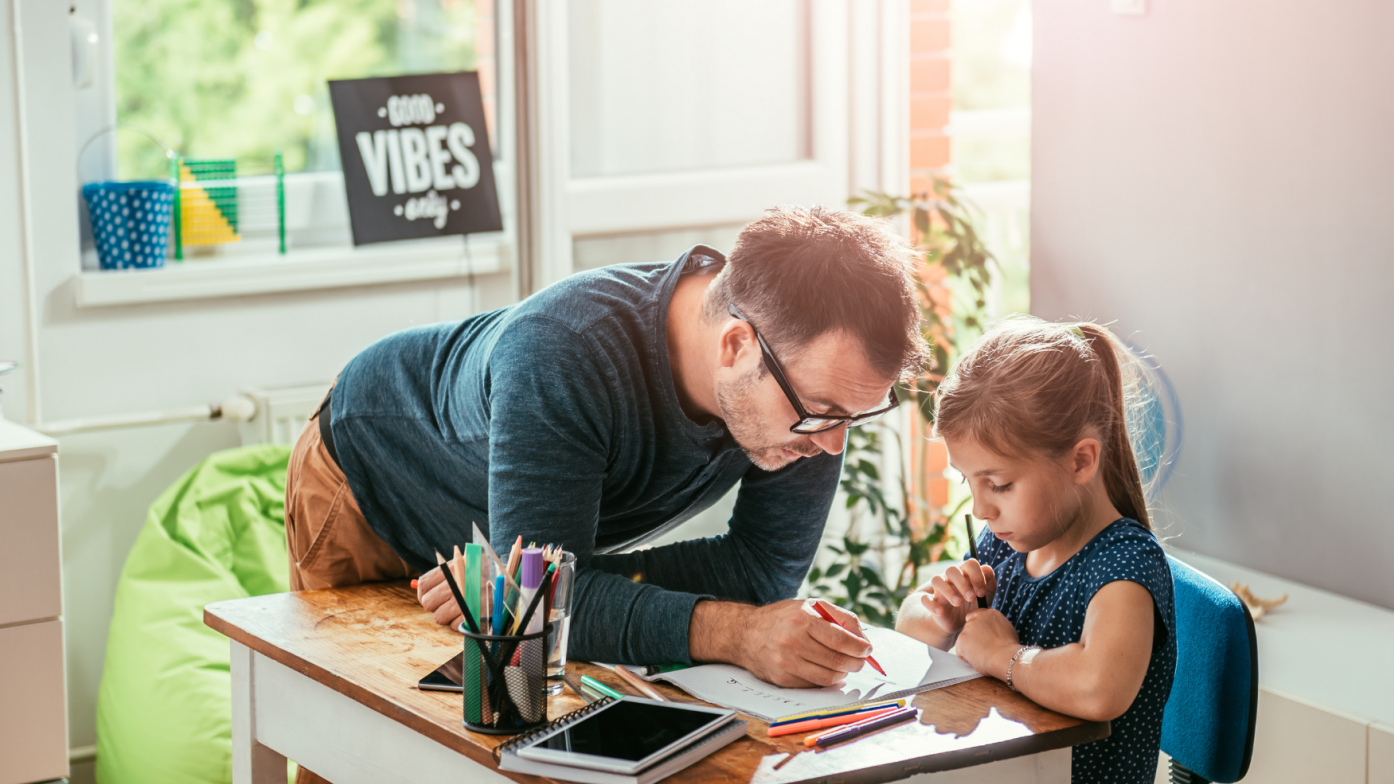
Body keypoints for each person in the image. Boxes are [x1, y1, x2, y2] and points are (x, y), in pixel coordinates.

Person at [285, 205, 927, 689]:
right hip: (373, 481)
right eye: (821, 414)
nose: (834, 442)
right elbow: (537, 606)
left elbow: (761, 571)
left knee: (514, 713)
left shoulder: (806, 386)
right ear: (736, 347)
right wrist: (731, 631)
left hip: (503, 545)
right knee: (351, 730)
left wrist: (515, 585)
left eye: (856, 416)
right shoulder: (563, 351)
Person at [895, 318, 1176, 784]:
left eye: (999, 484)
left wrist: (1003, 656)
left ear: (1081, 460)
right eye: (968, 482)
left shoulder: (1124, 564)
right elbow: (908, 620)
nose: (981, 508)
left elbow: (1098, 687)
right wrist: (943, 620)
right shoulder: (1007, 544)